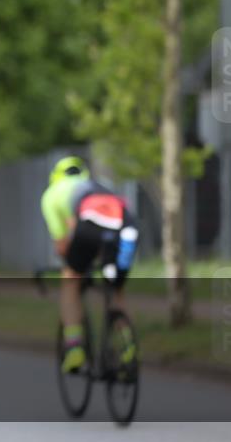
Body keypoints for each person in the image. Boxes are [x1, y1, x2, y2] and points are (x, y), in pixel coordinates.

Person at [40, 156, 139, 373]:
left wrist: (77, 265)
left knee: (70, 281)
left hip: (89, 225)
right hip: (126, 224)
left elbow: (63, 245)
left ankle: (74, 348)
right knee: (115, 287)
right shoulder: (99, 186)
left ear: (55, 177)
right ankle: (127, 345)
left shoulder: (51, 195)